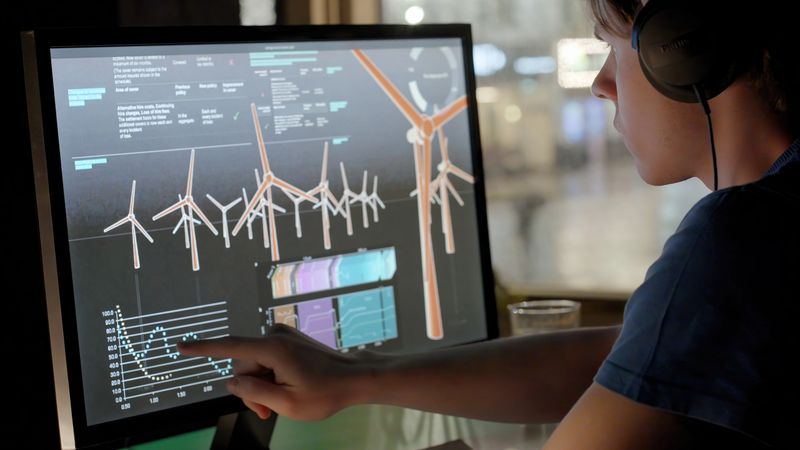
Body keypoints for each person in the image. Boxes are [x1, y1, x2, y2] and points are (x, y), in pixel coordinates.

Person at [179, 1, 800, 448]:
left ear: (687, 55)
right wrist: (354, 378)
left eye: (615, 50)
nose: (601, 84)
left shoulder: (740, 238)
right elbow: (634, 357)